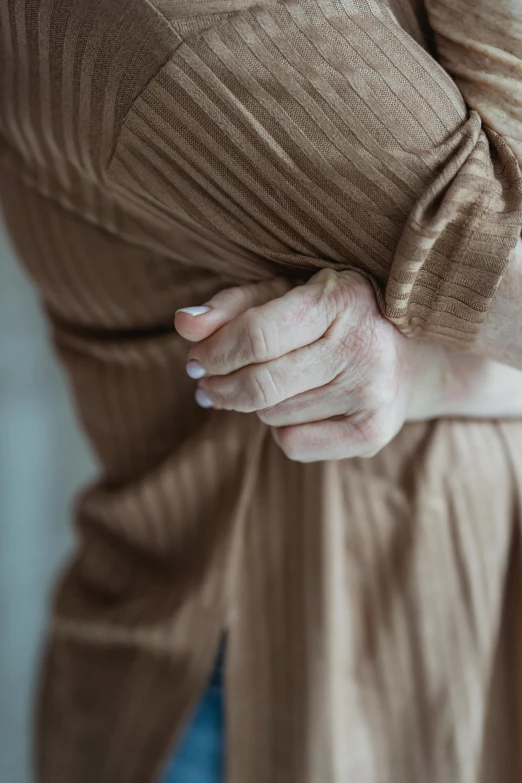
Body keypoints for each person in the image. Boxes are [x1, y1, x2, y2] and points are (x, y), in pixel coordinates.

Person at [1, 1, 522, 782]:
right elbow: (501, 251)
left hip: (470, 668)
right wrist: (457, 351)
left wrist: (434, 371)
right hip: (258, 698)